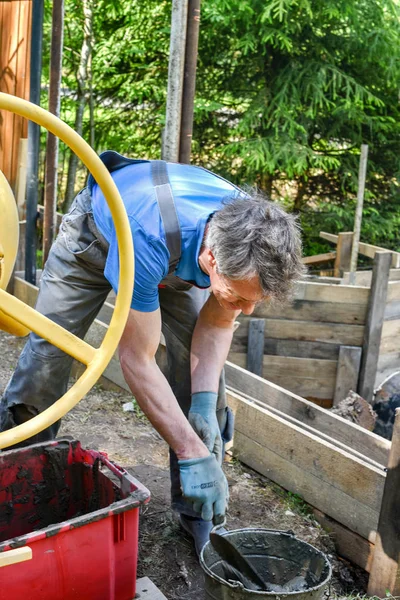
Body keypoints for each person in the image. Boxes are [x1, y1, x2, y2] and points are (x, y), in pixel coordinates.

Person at [0, 152, 304, 555]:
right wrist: (189, 450)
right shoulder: (148, 235)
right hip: (97, 237)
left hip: (175, 253)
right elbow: (136, 359)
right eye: (241, 298)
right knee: (48, 357)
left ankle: (201, 514)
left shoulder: (246, 231)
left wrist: (203, 403)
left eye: (255, 302)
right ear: (211, 260)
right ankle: (20, 481)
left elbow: (216, 323)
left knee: (206, 388)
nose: (247, 311)